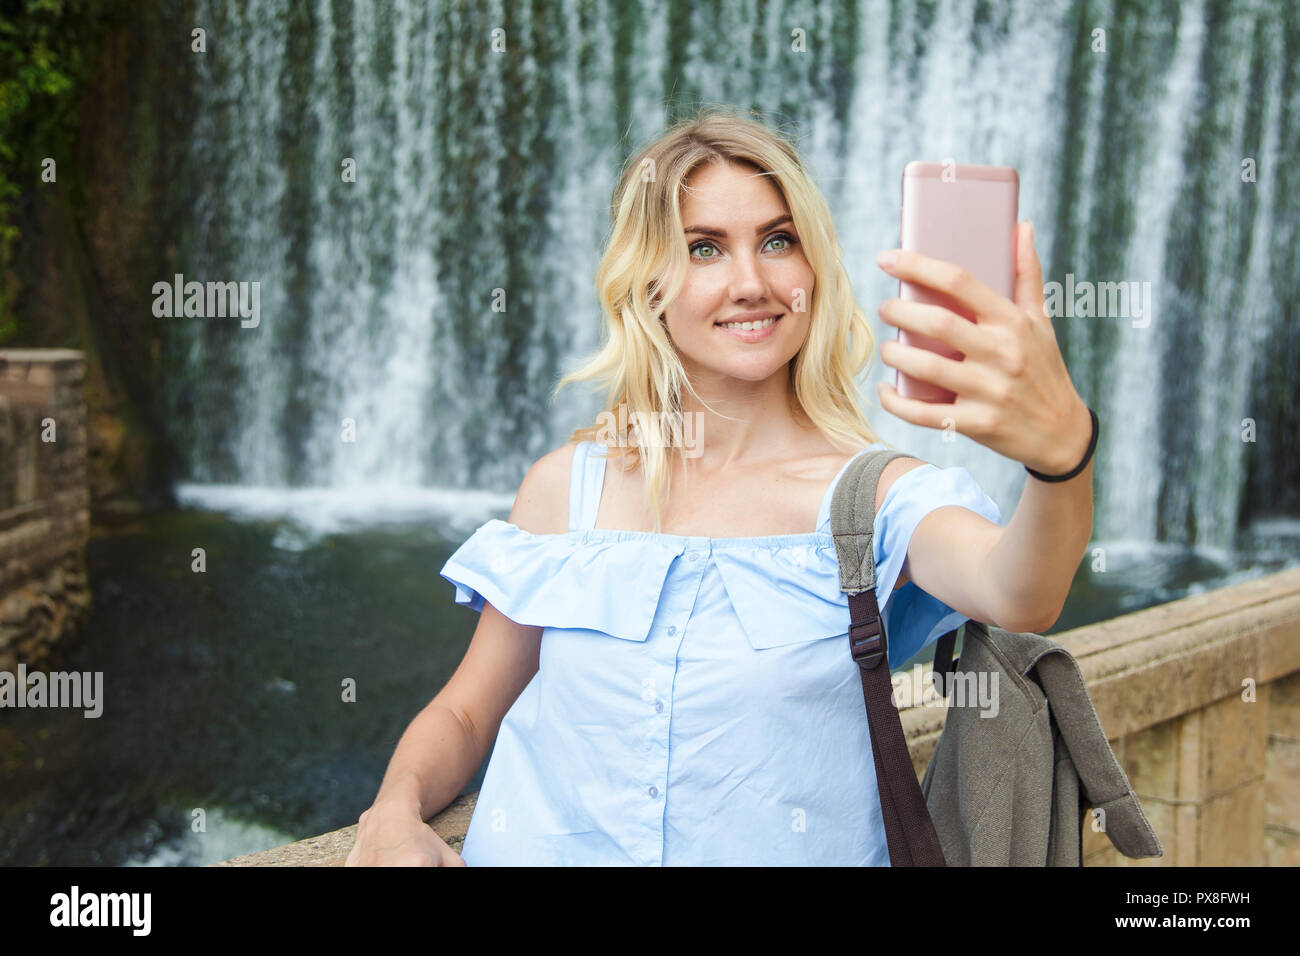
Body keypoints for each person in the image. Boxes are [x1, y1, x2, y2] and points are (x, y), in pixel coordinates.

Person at [346, 107, 1095, 866]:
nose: (751, 282)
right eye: (704, 249)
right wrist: (393, 809)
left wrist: (1061, 456)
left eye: (778, 241)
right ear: (649, 284)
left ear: (812, 269)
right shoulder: (564, 490)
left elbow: (1019, 591)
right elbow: (467, 713)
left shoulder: (874, 497)